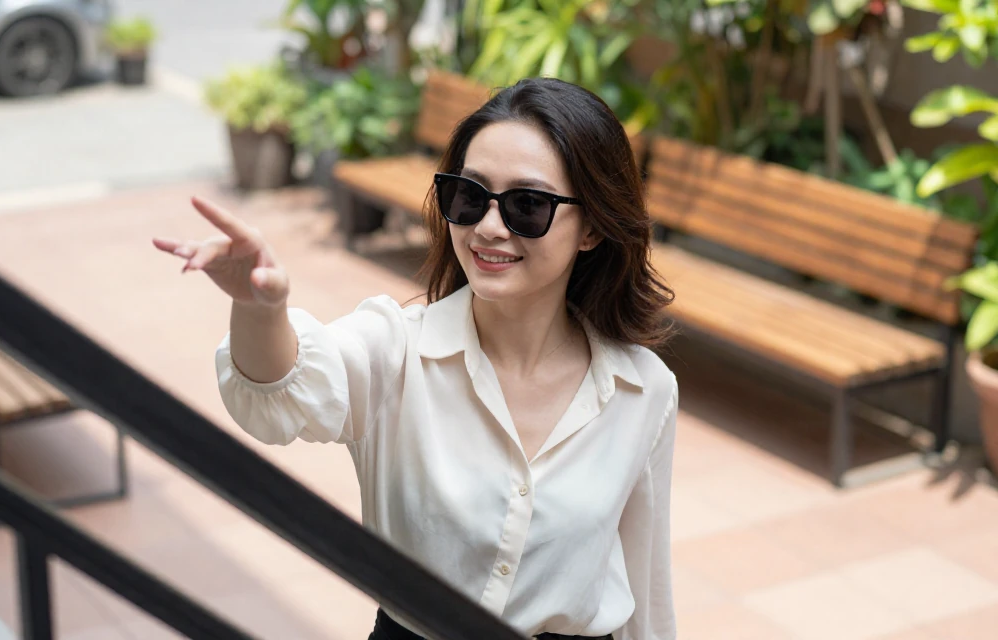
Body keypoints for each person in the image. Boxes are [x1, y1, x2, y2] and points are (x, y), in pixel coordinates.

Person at [153, 77, 678, 640]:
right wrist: (260, 310)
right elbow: (279, 395)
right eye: (469, 196)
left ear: (593, 228)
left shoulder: (641, 389)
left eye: (528, 205)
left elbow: (643, 582)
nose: (489, 227)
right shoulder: (396, 348)